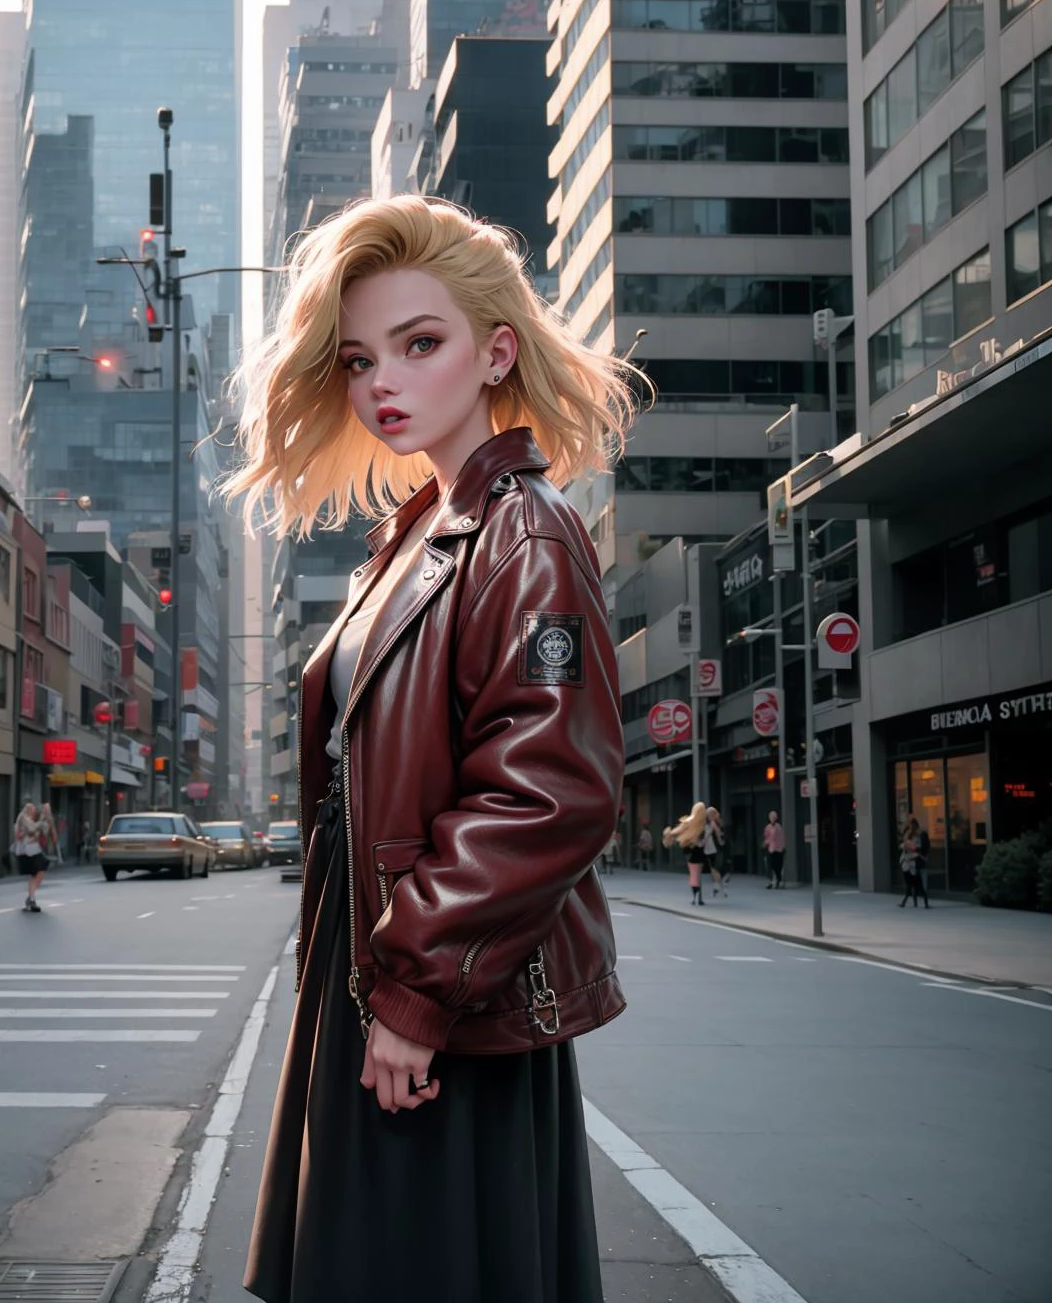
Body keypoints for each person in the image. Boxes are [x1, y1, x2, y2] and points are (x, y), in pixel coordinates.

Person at [225, 195, 638, 1303]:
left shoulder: (521, 533)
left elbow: (550, 790)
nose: (381, 384)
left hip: (444, 998)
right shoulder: (421, 536)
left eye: (420, 344)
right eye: (359, 359)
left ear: (495, 351)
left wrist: (415, 995)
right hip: (384, 978)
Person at [663, 802, 708, 905]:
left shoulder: (689, 821)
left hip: (688, 851)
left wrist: (670, 834)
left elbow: (678, 831)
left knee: (694, 874)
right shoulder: (702, 825)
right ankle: (697, 897)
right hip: (698, 851)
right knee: (696, 874)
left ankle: (696, 896)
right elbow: (700, 841)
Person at [13, 799, 50, 912]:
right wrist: (42, 819)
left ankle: (31, 898)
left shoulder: (28, 819)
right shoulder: (23, 818)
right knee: (39, 871)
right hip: (28, 851)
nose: (34, 812)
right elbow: (32, 828)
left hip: (31, 850)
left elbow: (42, 830)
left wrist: (45, 820)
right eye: (33, 810)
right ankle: (31, 899)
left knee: (35, 874)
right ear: (28, 810)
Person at [899, 816, 930, 907]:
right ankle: (915, 902)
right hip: (909, 862)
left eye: (912, 826)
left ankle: (923, 903)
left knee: (919, 884)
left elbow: (920, 848)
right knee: (912, 883)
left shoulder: (920, 835)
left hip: (915, 862)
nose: (911, 828)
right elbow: (904, 844)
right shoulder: (909, 834)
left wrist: (912, 849)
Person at [704, 806, 729, 899]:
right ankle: (719, 884)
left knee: (714, 868)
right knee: (714, 868)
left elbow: (718, 833)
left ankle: (719, 884)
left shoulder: (713, 823)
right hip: (713, 848)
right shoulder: (717, 822)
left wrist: (719, 841)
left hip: (712, 848)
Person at [763, 811, 786, 889]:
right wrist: (766, 843)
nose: (772, 819)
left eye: (774, 817)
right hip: (770, 849)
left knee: (778, 867)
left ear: (776, 818)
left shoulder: (779, 827)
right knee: (770, 866)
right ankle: (771, 881)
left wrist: (782, 848)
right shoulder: (767, 827)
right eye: (771, 817)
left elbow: (781, 839)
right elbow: (766, 838)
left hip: (778, 850)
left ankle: (777, 881)